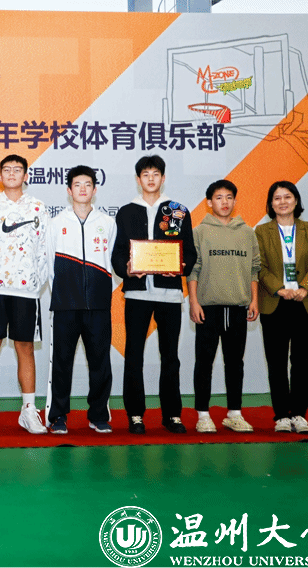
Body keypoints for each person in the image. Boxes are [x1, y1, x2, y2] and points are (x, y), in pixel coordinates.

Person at [112, 155, 196, 435]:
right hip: (136, 294)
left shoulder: (178, 210)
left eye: (155, 173)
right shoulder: (126, 212)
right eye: (145, 174)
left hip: (169, 294)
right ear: (138, 180)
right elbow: (118, 252)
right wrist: (126, 269)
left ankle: (172, 415)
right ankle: (135, 414)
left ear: (163, 178)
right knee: (133, 354)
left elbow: (190, 252)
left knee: (170, 356)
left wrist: (180, 267)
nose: (150, 178)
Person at [45, 165, 116, 434]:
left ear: (95, 190)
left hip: (98, 305)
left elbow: (111, 261)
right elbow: (49, 265)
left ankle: (98, 415)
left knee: (100, 362)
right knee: (62, 363)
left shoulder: (107, 223)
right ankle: (58, 416)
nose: (83, 189)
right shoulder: (56, 223)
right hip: (65, 304)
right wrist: (62, 293)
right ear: (69, 190)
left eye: (88, 184)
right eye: (77, 184)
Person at [255, 181, 308, 434]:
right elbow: (259, 266)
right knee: (276, 363)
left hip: (305, 304)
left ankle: (299, 414)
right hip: (274, 303)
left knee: (300, 362)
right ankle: (281, 416)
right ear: (270, 203)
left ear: (296, 201)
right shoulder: (261, 231)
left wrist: (305, 287)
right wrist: (279, 288)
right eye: (277, 198)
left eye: (287, 197)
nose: (283, 202)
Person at [0, 154, 49, 434]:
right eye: (7, 170)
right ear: (0, 176)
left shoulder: (38, 207)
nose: (12, 174)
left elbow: (45, 249)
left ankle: (28, 409)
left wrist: (34, 283)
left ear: (25, 175)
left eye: (17, 169)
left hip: (25, 292)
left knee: (25, 348)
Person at [187, 180, 260, 434]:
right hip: (208, 308)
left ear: (235, 201)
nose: (224, 202)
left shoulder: (247, 232)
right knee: (204, 363)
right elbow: (193, 270)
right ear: (209, 202)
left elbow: (254, 269)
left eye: (229, 197)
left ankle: (234, 414)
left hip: (238, 308)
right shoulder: (199, 232)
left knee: (235, 363)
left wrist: (254, 299)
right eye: (219, 197)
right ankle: (203, 415)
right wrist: (193, 302)